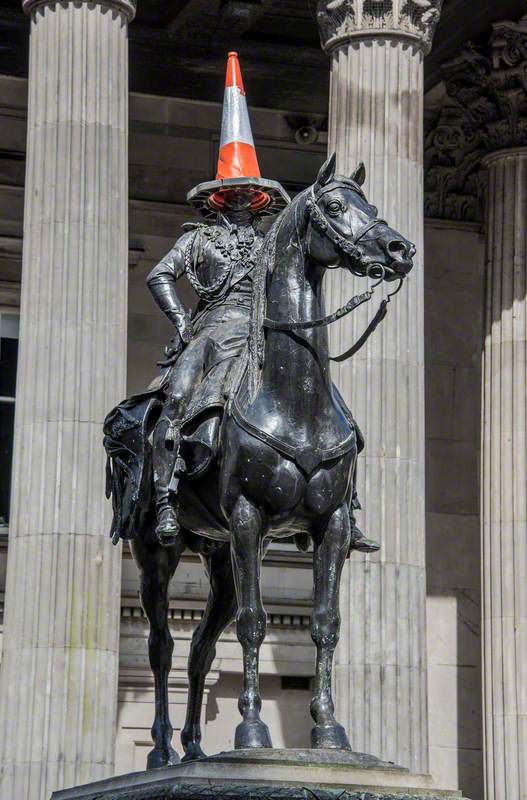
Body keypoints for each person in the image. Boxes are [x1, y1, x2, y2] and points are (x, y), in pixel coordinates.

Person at [148, 52, 379, 554]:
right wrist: (183, 320)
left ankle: (347, 503)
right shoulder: (198, 241)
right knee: (180, 396)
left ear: (258, 198)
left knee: (335, 409)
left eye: (247, 192)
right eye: (232, 192)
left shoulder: (270, 242)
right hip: (211, 332)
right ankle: (166, 496)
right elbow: (159, 276)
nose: (240, 199)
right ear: (217, 197)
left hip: (259, 331)